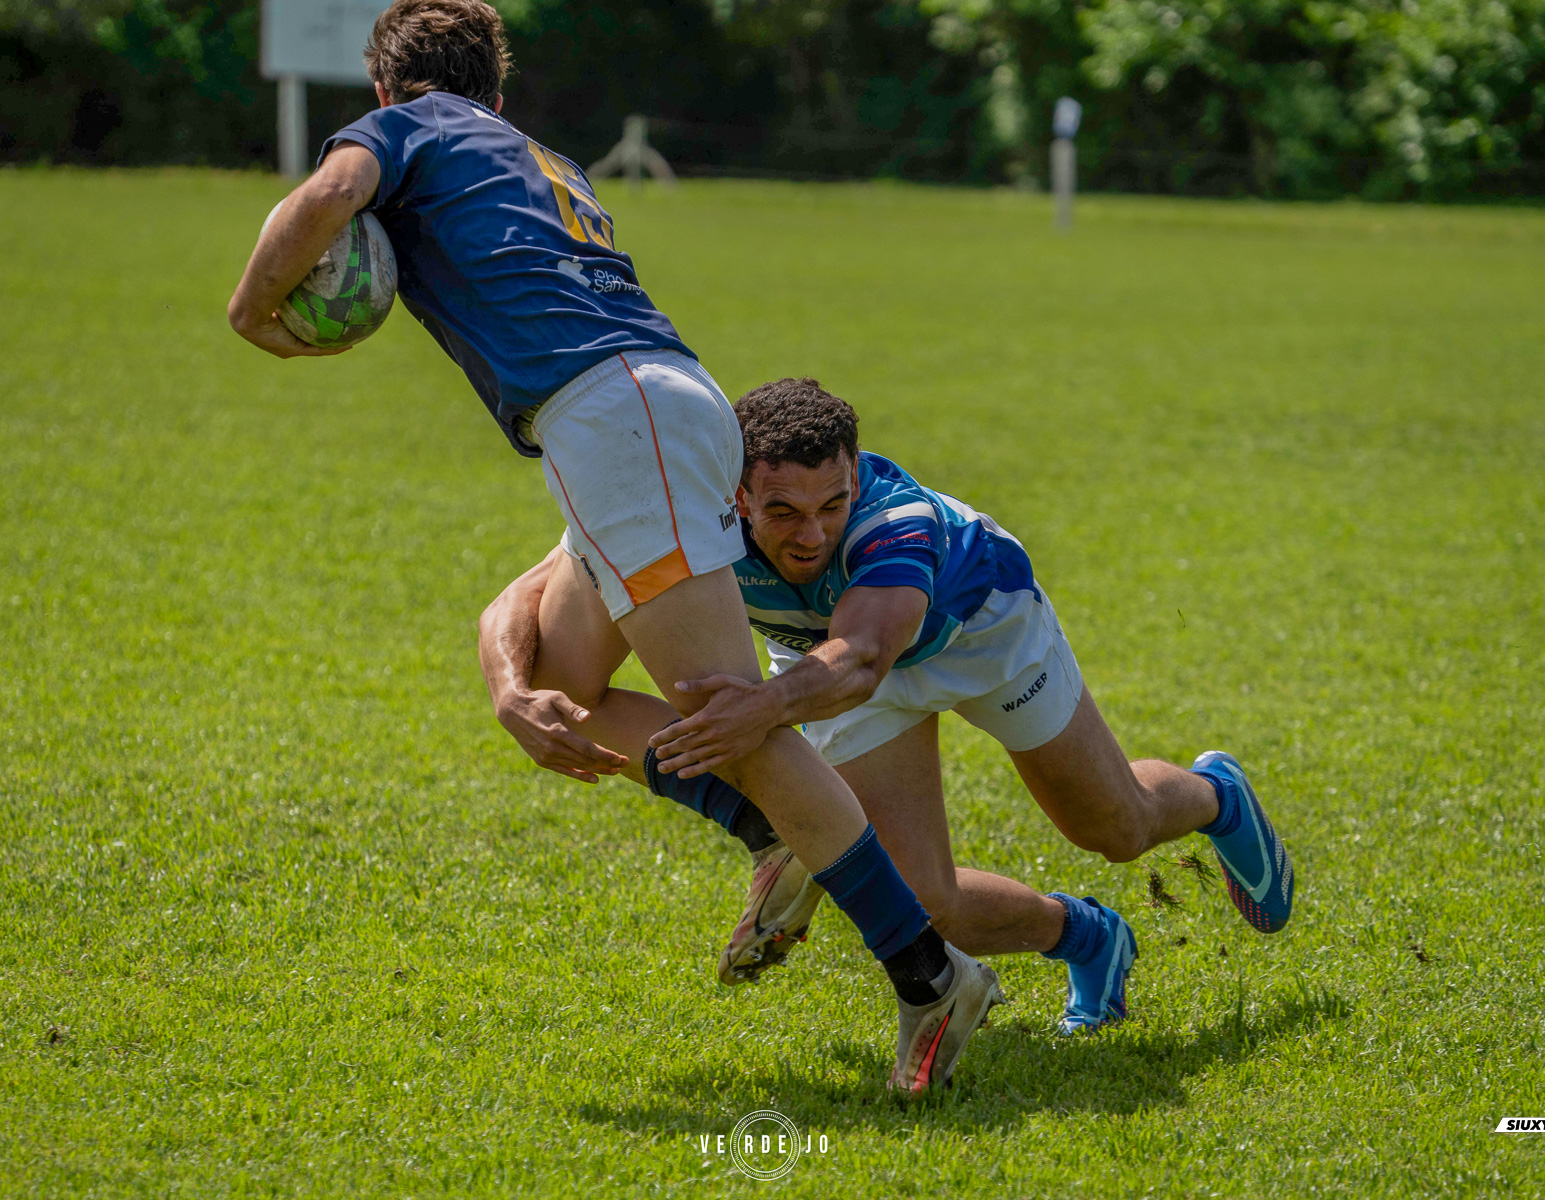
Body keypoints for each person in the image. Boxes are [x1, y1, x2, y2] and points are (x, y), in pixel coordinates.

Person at [226, 0, 1000, 1095]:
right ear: (495, 92)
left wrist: (256, 309)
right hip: (656, 395)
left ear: (389, 91)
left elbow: (331, 194)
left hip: (611, 416)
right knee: (556, 676)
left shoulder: (406, 129)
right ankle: (764, 834)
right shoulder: (533, 151)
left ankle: (932, 976)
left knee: (727, 705)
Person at [479, 378, 1295, 1035]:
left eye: (832, 504)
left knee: (1115, 827)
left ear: (854, 474)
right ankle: (1087, 935)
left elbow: (862, 658)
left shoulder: (893, 524)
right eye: (785, 513)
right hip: (817, 664)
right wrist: (511, 687)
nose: (813, 535)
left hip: (976, 633)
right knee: (921, 902)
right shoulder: (690, 501)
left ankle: (1216, 793)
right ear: (733, 493)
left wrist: (760, 712)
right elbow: (531, 591)